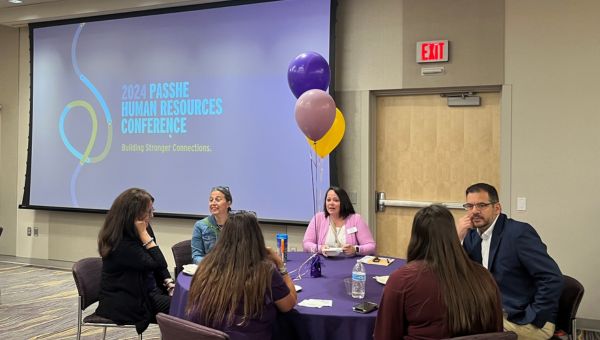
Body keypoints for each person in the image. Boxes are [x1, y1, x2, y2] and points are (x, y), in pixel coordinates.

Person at [374, 205, 503, 340]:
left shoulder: (402, 279)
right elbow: (497, 332)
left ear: (416, 238)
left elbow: (384, 335)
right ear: (453, 234)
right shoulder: (484, 276)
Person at [457, 183, 563, 340]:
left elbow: (552, 278)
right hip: (492, 313)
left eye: (482, 205)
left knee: (468, 333)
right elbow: (456, 272)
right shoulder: (471, 236)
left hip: (525, 319)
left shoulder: (518, 234)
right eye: (470, 206)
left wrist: (534, 316)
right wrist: (457, 237)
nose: (474, 211)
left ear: (497, 208)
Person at [185, 211, 297, 340]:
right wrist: (280, 266)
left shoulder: (207, 265)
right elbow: (288, 305)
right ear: (256, 237)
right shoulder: (265, 271)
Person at [96, 188, 174, 334]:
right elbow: (158, 262)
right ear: (134, 214)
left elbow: (159, 266)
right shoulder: (120, 242)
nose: (152, 215)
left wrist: (169, 283)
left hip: (146, 290)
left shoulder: (142, 229)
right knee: (186, 308)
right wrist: (145, 234)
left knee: (189, 301)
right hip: (128, 300)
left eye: (152, 210)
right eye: (148, 211)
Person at [303, 186, 376, 256]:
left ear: (344, 203)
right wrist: (320, 248)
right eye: (328, 200)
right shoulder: (319, 218)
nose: (331, 203)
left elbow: (371, 246)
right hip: (324, 263)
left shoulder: (356, 219)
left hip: (348, 263)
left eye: (336, 200)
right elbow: (306, 244)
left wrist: (355, 249)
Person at [191, 186, 232, 264]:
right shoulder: (200, 225)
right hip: (210, 270)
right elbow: (196, 256)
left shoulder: (238, 224)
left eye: (218, 200)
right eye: (211, 200)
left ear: (228, 203)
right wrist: (211, 264)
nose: (213, 203)